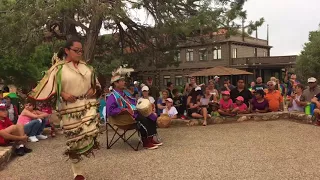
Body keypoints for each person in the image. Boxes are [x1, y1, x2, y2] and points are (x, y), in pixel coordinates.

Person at [28, 38, 101, 180]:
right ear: (67, 50)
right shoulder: (58, 69)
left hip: (87, 104)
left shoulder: (87, 68)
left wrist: (94, 90)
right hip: (69, 109)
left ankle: (82, 155)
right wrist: (63, 93)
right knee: (74, 140)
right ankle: (78, 172)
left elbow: (96, 85)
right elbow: (50, 87)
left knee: (89, 131)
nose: (79, 53)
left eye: (81, 51)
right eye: (76, 50)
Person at [106, 68, 162, 150]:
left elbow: (133, 103)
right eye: (121, 81)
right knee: (144, 119)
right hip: (124, 118)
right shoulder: (112, 96)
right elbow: (110, 111)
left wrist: (142, 105)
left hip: (134, 113)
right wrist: (123, 110)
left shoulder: (125, 93)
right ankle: (145, 142)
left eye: (123, 81)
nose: (124, 82)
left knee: (151, 116)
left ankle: (150, 139)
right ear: (115, 83)